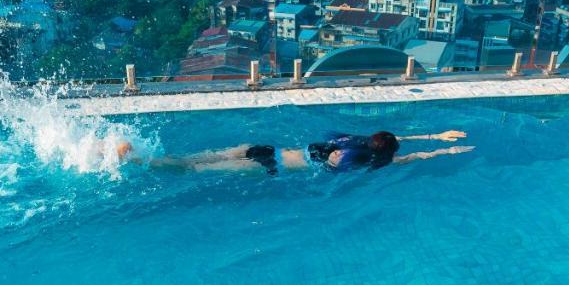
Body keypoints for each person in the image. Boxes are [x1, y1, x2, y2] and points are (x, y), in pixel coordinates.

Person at [110, 130, 472, 175]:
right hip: (269, 166)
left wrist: (436, 135)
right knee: (191, 172)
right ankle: (137, 160)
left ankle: (135, 151)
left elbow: (397, 141)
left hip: (263, 148)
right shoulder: (368, 159)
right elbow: (409, 156)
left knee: (193, 160)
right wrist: (446, 149)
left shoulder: (352, 142)